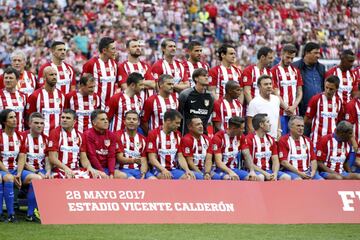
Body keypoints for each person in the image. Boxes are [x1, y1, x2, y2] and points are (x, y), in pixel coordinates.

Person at [0, 109, 40, 223]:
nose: (14, 119)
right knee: (8, 178)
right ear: (4, 121)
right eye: (11, 117)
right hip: (3, 170)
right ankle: (10, 214)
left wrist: (18, 173)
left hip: (16, 170)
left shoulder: (20, 136)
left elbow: (22, 156)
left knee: (37, 178)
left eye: (15, 117)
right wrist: (8, 172)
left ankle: (30, 214)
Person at [47, 109, 97, 179]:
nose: (64, 120)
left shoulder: (80, 135)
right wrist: (66, 168)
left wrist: (89, 168)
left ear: (74, 121)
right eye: (63, 117)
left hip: (76, 169)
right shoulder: (55, 133)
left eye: (68, 118)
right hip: (59, 169)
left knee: (96, 176)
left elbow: (84, 158)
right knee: (69, 178)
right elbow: (52, 158)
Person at [146, 109, 195, 180]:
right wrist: (163, 170)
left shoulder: (177, 134)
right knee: (166, 177)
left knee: (189, 177)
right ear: (168, 121)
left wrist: (187, 170)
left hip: (173, 169)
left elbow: (180, 156)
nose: (178, 126)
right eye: (177, 123)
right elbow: (152, 158)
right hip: (158, 169)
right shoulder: (153, 134)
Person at [82, 109, 126, 179]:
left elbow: (111, 156)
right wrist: (102, 172)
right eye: (102, 119)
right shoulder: (88, 134)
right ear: (94, 122)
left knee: (123, 176)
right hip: (93, 167)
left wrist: (111, 173)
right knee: (101, 177)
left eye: (106, 119)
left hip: (107, 168)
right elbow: (92, 156)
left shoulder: (111, 135)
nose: (106, 121)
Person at [246, 114, 290, 181]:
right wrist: (265, 173)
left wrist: (275, 173)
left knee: (286, 177)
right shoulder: (249, 139)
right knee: (260, 177)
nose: (270, 124)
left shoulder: (271, 139)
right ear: (261, 124)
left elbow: (275, 160)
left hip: (268, 171)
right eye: (268, 122)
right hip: (254, 171)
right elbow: (247, 163)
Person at [211, 116, 257, 181]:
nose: (243, 131)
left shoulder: (241, 137)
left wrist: (252, 171)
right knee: (228, 178)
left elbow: (247, 155)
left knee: (253, 178)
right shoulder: (218, 137)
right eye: (242, 128)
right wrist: (230, 172)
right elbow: (218, 162)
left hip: (234, 169)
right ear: (233, 128)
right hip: (219, 170)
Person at [304, 75, 344, 147]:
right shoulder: (316, 99)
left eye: (331, 89)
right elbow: (306, 120)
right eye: (326, 87)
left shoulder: (339, 101)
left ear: (337, 88)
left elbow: (339, 121)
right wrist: (318, 125)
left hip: (333, 142)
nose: (328, 91)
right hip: (317, 141)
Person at [278, 116, 323, 180]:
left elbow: (313, 160)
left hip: (308, 172)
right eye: (298, 126)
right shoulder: (283, 140)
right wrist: (300, 173)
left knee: (321, 181)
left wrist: (312, 173)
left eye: (302, 126)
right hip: (291, 172)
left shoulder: (307, 140)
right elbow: (284, 162)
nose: (301, 128)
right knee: (299, 180)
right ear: (290, 127)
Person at [271, 44, 303, 134]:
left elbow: (300, 92)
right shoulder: (274, 71)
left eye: (292, 58)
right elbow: (275, 93)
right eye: (287, 57)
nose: (289, 60)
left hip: (294, 112)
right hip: (281, 112)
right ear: (282, 54)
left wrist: (294, 107)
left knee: (294, 139)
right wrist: (286, 108)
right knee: (282, 138)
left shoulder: (296, 71)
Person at [115, 110, 155, 179]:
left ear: (138, 122)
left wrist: (143, 173)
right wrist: (134, 160)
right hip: (122, 170)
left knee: (153, 180)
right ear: (124, 122)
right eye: (129, 119)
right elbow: (119, 159)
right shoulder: (118, 135)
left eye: (134, 119)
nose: (131, 121)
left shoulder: (143, 139)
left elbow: (144, 160)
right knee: (132, 180)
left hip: (138, 170)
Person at [26, 66, 64, 136]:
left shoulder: (61, 95)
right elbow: (29, 118)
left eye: (55, 74)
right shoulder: (35, 95)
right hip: (40, 136)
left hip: (57, 136)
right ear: (44, 77)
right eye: (51, 75)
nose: (54, 77)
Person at [82, 37, 118, 109]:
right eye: (113, 49)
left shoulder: (114, 63)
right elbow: (83, 86)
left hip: (111, 108)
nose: (115, 51)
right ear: (104, 50)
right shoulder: (91, 64)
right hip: (95, 108)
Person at [293, 42, 325, 117]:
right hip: (302, 111)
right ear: (307, 53)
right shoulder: (295, 67)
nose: (318, 56)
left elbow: (323, 86)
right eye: (315, 53)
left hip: (318, 110)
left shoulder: (321, 68)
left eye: (319, 53)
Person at [178, 68, 214, 135]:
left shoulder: (210, 96)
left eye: (207, 76)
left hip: (203, 135)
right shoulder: (185, 94)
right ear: (196, 78)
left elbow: (208, 116)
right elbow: (180, 115)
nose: (206, 78)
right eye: (203, 76)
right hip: (188, 135)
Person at [247, 75, 281, 139]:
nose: (269, 86)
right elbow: (250, 124)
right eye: (265, 84)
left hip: (275, 138)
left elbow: (277, 115)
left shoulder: (276, 99)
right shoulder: (254, 102)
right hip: (261, 139)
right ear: (259, 86)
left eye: (270, 84)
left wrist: (279, 130)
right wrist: (257, 138)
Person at [20, 112, 51, 179]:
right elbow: (23, 162)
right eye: (36, 123)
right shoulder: (22, 137)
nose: (39, 125)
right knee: (37, 178)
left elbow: (47, 160)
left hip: (42, 170)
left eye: (41, 123)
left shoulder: (46, 139)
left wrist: (48, 171)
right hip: (26, 171)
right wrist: (37, 172)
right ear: (29, 124)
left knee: (54, 177)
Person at [0, 67, 27, 131]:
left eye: (11, 78)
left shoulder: (23, 96)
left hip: (20, 135)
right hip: (2, 136)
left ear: (17, 80)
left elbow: (25, 117)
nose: (8, 80)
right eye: (6, 78)